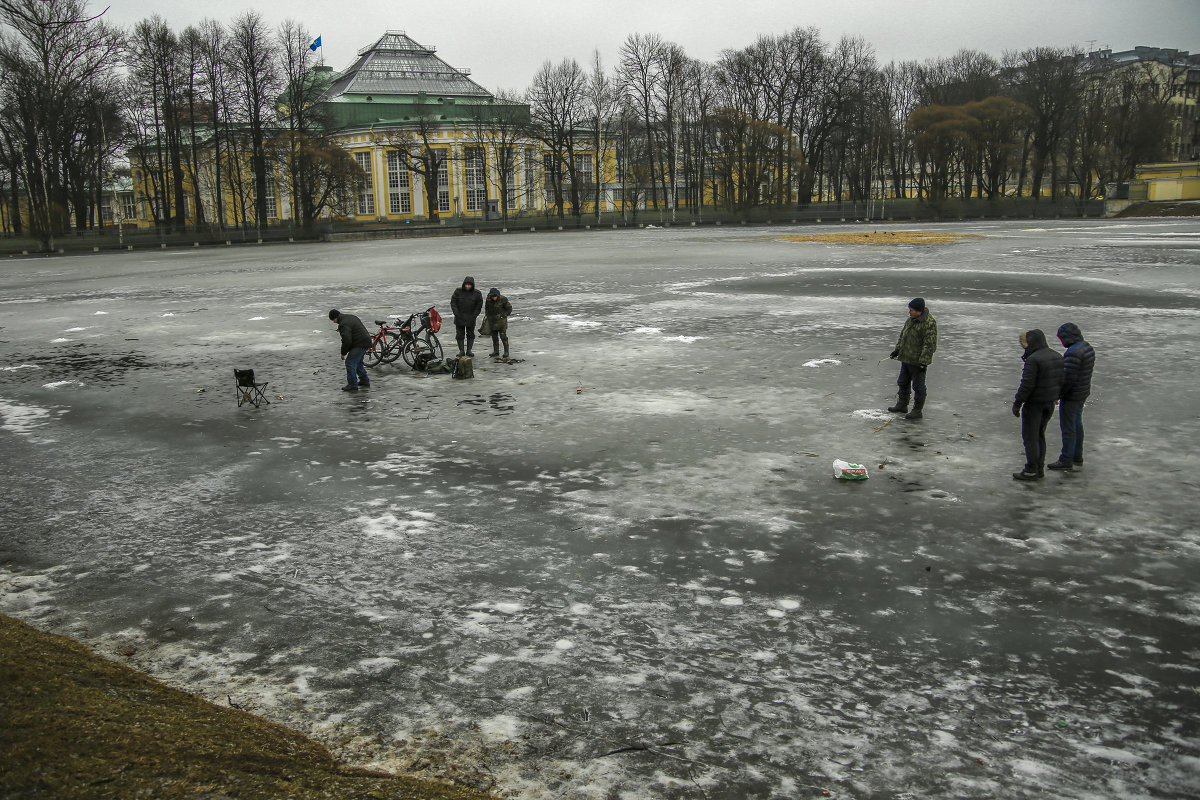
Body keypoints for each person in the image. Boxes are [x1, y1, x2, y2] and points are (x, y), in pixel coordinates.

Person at [1011, 329, 1064, 481]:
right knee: (1040, 435)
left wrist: (1017, 403)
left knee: (1030, 437)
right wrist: (1056, 396)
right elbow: (1062, 380)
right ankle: (1039, 468)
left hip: (1034, 404)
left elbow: (1026, 385)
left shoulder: (1034, 359)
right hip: (1049, 404)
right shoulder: (1057, 355)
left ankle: (1031, 470)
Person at [1048, 322, 1095, 471]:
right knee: (1077, 423)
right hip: (1082, 392)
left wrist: (1058, 395)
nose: (1062, 342)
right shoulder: (1087, 347)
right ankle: (1077, 456)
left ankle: (1066, 459)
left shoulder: (1073, 352)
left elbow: (1068, 379)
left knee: (1068, 427)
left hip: (1072, 395)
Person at [887, 297, 938, 420]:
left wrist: (923, 362)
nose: (909, 312)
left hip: (917, 361)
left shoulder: (929, 323)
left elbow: (930, 344)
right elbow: (903, 337)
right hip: (906, 358)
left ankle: (917, 410)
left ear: (919, 311)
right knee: (902, 382)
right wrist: (897, 350)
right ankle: (902, 405)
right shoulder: (910, 320)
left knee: (918, 387)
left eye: (911, 310)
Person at [328, 309, 372, 392]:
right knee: (358, 363)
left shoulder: (343, 324)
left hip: (360, 343)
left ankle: (352, 385)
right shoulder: (350, 317)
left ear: (335, 318)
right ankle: (364, 380)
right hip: (366, 341)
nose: (334, 322)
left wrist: (343, 353)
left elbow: (347, 341)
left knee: (350, 362)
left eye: (333, 320)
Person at [450, 276, 483, 357]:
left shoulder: (477, 293)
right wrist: (456, 313)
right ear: (464, 284)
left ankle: (469, 350)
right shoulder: (458, 291)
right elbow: (453, 302)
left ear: (472, 285)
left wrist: (474, 315)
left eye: (469, 285)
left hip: (471, 317)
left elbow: (479, 305)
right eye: (466, 285)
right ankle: (461, 350)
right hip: (459, 317)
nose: (467, 286)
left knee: (470, 334)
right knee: (460, 334)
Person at [483, 287, 513, 358]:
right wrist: (487, 316)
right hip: (492, 321)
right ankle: (496, 351)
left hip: (501, 322)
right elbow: (486, 309)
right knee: (494, 337)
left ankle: (506, 352)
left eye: (495, 296)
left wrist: (504, 315)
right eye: (493, 296)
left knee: (503, 337)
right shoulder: (488, 300)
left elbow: (509, 308)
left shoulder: (503, 299)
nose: (494, 298)